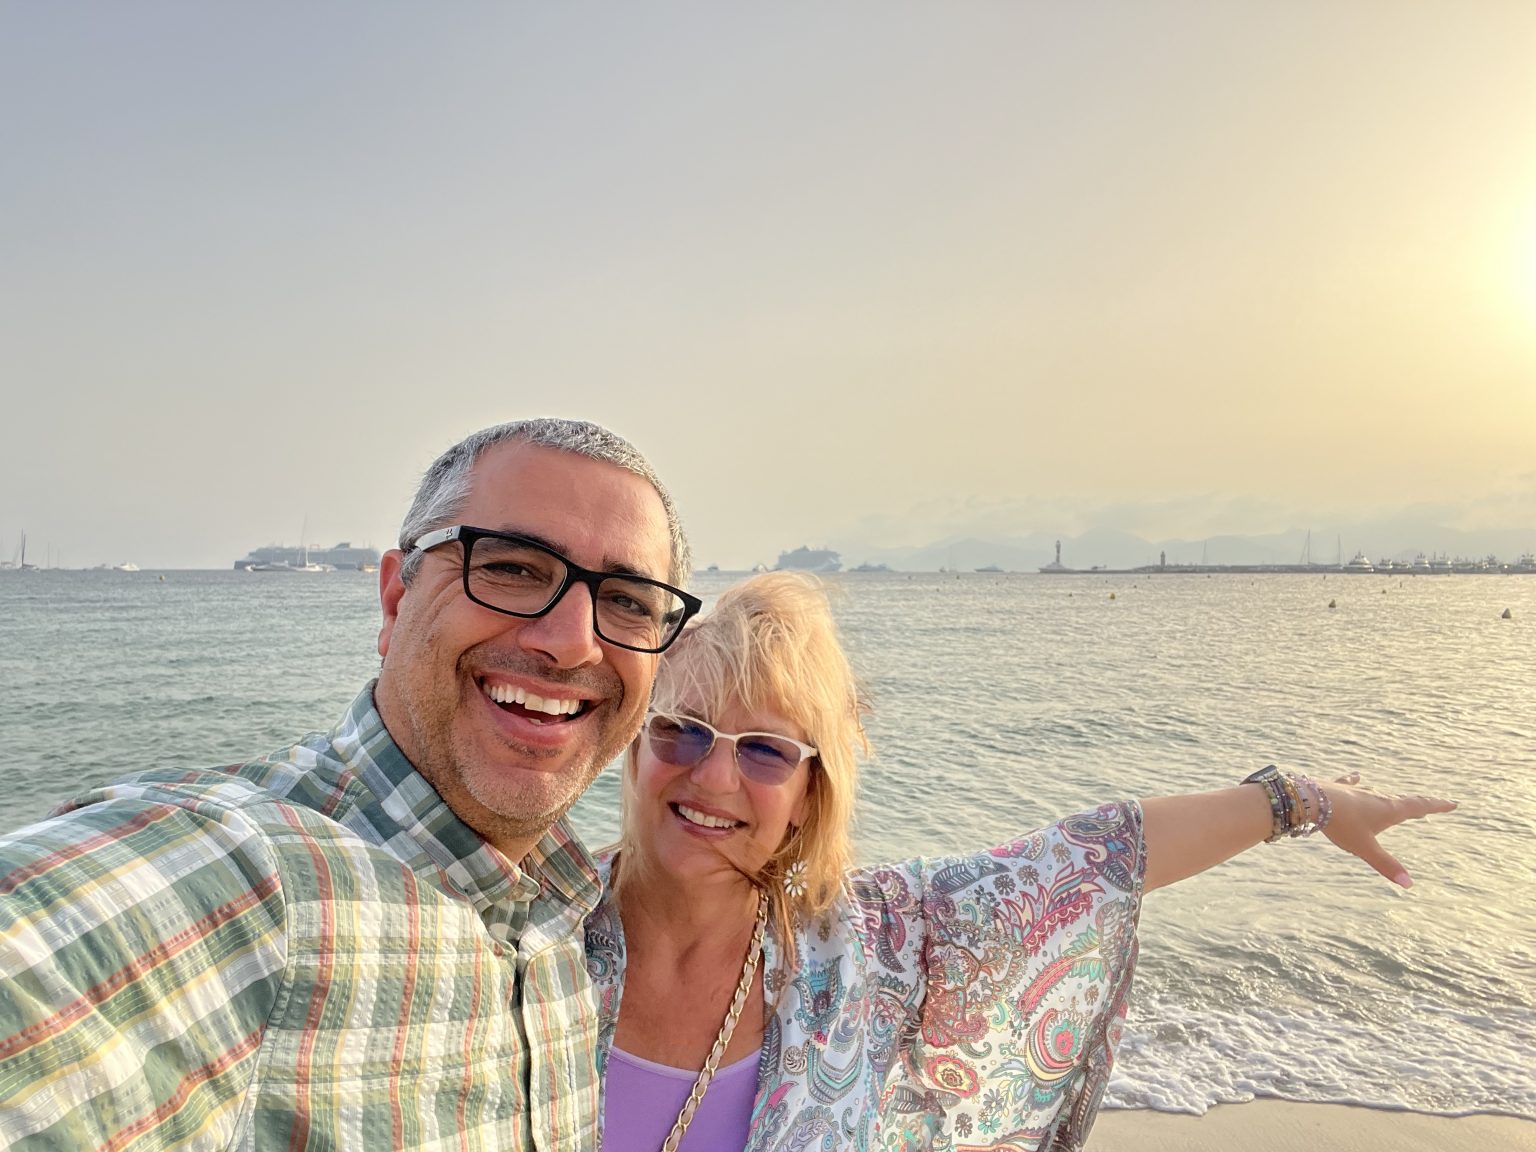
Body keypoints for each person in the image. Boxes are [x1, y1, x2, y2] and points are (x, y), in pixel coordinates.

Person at [0, 418, 699, 1151]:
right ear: (396, 600)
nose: (573, 641)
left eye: (628, 601)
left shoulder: (568, 911)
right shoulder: (252, 881)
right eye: (513, 568)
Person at [585, 572, 1455, 1152]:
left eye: (766, 750)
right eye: (682, 730)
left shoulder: (869, 944)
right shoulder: (538, 926)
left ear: (812, 792)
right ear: (636, 743)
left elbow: (1095, 859)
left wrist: (1303, 800)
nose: (714, 777)